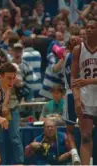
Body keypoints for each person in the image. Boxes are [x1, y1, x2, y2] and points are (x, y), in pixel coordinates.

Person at [71, 19, 97, 165]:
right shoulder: (78, 49)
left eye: (92, 28)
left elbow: (82, 80)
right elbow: (73, 77)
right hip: (86, 98)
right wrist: (76, 99)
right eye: (87, 27)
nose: (89, 30)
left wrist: (88, 81)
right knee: (85, 136)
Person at [53, 35, 82, 164]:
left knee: (69, 130)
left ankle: (75, 154)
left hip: (71, 94)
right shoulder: (82, 56)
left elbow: (55, 69)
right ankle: (88, 155)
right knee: (87, 129)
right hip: (85, 93)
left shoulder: (65, 57)